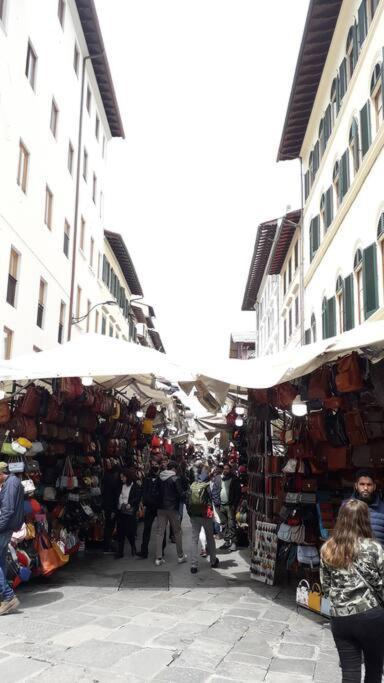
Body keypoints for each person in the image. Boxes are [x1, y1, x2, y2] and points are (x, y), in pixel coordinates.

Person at [320, 499, 384, 683]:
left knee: (349, 672)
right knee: (374, 669)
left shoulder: (328, 548)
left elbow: (326, 587)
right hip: (371, 615)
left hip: (340, 617)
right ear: (365, 519)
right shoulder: (374, 548)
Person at [0, 462, 24, 615]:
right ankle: (4, 596)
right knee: (1, 561)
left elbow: (7, 510)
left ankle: (8, 597)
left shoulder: (11, 484)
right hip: (6, 528)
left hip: (3, 528)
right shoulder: (12, 482)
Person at [187, 468, 219, 574]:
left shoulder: (193, 485)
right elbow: (213, 499)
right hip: (206, 516)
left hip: (194, 516)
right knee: (210, 538)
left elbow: (188, 500)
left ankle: (193, 565)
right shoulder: (208, 486)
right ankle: (213, 561)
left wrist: (190, 513)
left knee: (194, 539)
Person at [155, 461, 187, 566]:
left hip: (160, 508)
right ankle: (180, 555)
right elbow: (181, 494)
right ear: (173, 468)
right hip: (173, 509)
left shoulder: (159, 477)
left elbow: (156, 492)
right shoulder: (175, 478)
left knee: (160, 532)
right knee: (177, 532)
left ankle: (158, 558)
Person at [137, 461, 165, 559]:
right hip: (149, 507)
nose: (154, 467)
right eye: (153, 465)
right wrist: (143, 501)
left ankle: (161, 550)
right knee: (147, 529)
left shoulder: (162, 478)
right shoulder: (147, 478)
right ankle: (144, 551)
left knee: (161, 529)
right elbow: (143, 490)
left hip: (159, 507)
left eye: (156, 465)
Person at [349, 470, 384, 545]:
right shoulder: (346, 507)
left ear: (374, 487)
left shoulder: (382, 509)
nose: (365, 488)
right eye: (362, 484)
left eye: (369, 485)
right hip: (352, 554)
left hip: (379, 554)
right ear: (356, 486)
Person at [115, 468, 141, 559]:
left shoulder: (135, 486)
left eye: (123, 477)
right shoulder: (120, 486)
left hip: (130, 512)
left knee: (130, 531)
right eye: (121, 477)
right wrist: (121, 503)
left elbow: (137, 498)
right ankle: (120, 552)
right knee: (120, 532)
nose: (121, 479)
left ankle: (133, 545)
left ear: (127, 477)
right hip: (121, 511)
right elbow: (118, 496)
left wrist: (130, 504)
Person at [218, 463, 241, 551]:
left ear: (230, 470)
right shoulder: (222, 479)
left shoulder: (234, 479)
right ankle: (227, 541)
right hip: (222, 505)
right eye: (224, 469)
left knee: (231, 524)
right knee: (224, 524)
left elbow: (238, 493)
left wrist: (234, 504)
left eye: (227, 469)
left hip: (230, 505)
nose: (225, 470)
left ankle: (233, 542)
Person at [102, 465, 121, 553]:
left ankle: (106, 545)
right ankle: (107, 546)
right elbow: (114, 497)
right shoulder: (114, 482)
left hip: (106, 505)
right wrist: (114, 509)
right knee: (109, 526)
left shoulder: (106, 478)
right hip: (111, 507)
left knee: (107, 526)